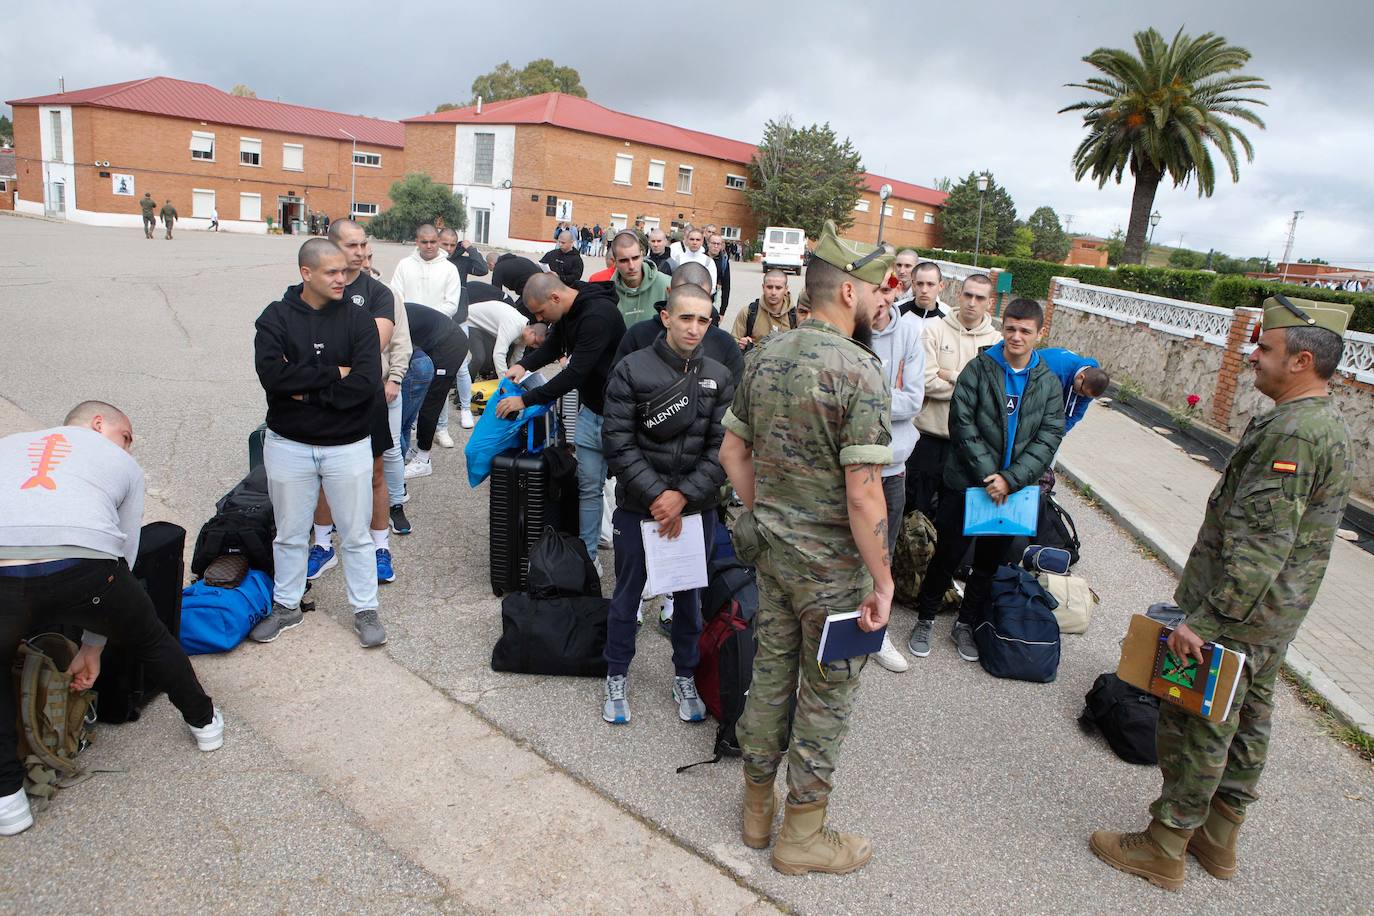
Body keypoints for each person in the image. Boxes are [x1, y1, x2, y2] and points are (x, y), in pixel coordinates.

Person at [1091, 296, 1355, 891]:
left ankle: (1164, 846)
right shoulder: (1324, 422)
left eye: (1265, 350)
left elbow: (1262, 544)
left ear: (1302, 361)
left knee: (1199, 720)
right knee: (1251, 714)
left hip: (1238, 613)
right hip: (1271, 617)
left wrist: (1205, 622)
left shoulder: (1294, 432)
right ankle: (1218, 839)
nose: (1252, 356)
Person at [718, 220, 895, 877]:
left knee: (770, 676)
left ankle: (756, 811)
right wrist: (884, 581)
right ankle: (803, 836)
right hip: (834, 575)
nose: (885, 299)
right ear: (847, 291)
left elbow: (732, 451)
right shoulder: (860, 369)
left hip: (775, 557)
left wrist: (765, 512)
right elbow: (864, 495)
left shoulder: (766, 352)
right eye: (879, 287)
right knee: (827, 696)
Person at [0, 401, 224, 837]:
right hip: (84, 565)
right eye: (127, 438)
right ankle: (205, 724)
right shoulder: (121, 463)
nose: (129, 448)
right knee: (150, 637)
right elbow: (125, 553)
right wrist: (93, 643)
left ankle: (7, 800)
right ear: (98, 423)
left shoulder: (8, 446)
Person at [599, 284, 736, 724]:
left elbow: (724, 449)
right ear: (666, 317)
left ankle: (685, 675)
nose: (694, 327)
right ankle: (616, 673)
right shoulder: (630, 369)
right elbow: (617, 443)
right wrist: (658, 496)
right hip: (640, 509)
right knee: (626, 598)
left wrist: (684, 497)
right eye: (685, 318)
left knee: (691, 602)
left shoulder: (720, 375)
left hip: (695, 510)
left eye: (703, 320)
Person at [906, 298, 1064, 662]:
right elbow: (962, 424)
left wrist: (1011, 479)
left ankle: (967, 622)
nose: (1016, 336)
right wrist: (987, 476)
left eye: (1025, 330)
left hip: (1014, 493)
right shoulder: (979, 368)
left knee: (989, 564)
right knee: (947, 556)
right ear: (1002, 327)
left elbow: (1050, 435)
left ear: (1039, 334)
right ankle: (926, 618)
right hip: (968, 484)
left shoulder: (1048, 383)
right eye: (1010, 328)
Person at [250, 238, 388, 649]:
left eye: (345, 271)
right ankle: (286, 605)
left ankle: (365, 609)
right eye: (332, 272)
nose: (343, 279)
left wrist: (305, 388)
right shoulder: (274, 318)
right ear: (306, 273)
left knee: (356, 533)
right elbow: (274, 379)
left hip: (347, 445)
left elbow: (364, 384)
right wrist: (333, 374)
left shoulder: (359, 320)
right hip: (288, 444)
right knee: (291, 532)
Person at [497, 273, 626, 566]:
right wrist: (523, 364)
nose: (540, 319)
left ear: (555, 297)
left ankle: (635, 564)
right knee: (589, 488)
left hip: (620, 418)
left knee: (629, 493)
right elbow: (554, 347)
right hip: (592, 412)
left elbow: (574, 374)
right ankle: (588, 558)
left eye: (541, 312)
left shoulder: (598, 316)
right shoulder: (568, 309)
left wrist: (525, 399)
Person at [308, 222, 410, 569]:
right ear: (332, 247)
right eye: (352, 245)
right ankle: (322, 546)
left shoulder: (380, 294)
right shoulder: (313, 290)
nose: (361, 251)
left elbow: (369, 348)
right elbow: (295, 346)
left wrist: (320, 356)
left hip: (366, 396)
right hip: (323, 398)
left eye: (364, 244)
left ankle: (380, 549)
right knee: (322, 471)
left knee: (375, 474)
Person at [904, 273, 1000, 517]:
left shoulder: (997, 343)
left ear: (989, 303)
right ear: (959, 295)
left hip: (968, 444)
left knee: (952, 518)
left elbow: (991, 394)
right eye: (967, 295)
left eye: (979, 297)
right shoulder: (934, 331)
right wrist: (970, 385)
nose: (971, 302)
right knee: (915, 512)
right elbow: (925, 381)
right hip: (928, 437)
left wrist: (951, 375)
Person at [866, 283, 925, 673]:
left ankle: (876, 635)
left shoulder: (910, 334)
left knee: (882, 555)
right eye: (875, 290)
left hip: (891, 468)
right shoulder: (848, 330)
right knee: (843, 550)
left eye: (888, 291)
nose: (882, 300)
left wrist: (865, 396)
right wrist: (890, 391)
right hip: (850, 464)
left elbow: (914, 400)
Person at [391, 225, 467, 439]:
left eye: (433, 241)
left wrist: (428, 321)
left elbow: (451, 304)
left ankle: (440, 428)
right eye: (424, 242)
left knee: (437, 386)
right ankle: (411, 423)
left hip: (438, 335)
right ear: (417, 241)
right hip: (408, 332)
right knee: (410, 378)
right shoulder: (405, 265)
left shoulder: (449, 269)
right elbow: (396, 296)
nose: (429, 246)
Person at [612, 262, 744, 381]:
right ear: (669, 292)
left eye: (701, 295)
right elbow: (616, 390)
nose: (692, 302)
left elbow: (734, 400)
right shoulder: (638, 335)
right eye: (684, 294)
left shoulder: (725, 345)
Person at [399, 302, 470, 480]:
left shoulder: (390, 315)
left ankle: (423, 459)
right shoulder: (390, 310)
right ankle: (417, 449)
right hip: (436, 343)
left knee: (431, 402)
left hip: (450, 345)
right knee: (423, 399)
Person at [467, 296, 544, 380]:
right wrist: (505, 381)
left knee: (489, 362)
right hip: (470, 320)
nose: (533, 346)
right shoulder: (513, 326)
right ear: (531, 332)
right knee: (479, 358)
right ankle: (462, 384)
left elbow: (516, 358)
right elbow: (498, 354)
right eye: (535, 342)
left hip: (485, 327)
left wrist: (514, 377)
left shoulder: (525, 332)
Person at [1039, 348, 1110, 436]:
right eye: (1082, 392)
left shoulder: (1089, 386)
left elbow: (1076, 414)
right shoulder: (1054, 373)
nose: (1081, 395)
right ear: (1081, 377)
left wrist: (1057, 434)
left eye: (1086, 396)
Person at [609, 231, 671, 328]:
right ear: (614, 262)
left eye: (635, 258)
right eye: (624, 260)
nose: (631, 266)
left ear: (642, 256)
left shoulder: (667, 285)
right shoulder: (608, 292)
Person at [731, 269, 797, 351]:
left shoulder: (796, 316)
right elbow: (732, 343)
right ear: (763, 287)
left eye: (778, 288)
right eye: (769, 287)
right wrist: (741, 344)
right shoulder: (748, 312)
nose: (773, 292)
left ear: (786, 289)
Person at [676, 228, 718, 292]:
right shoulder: (678, 259)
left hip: (702, 298)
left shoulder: (709, 262)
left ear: (702, 241)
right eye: (692, 239)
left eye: (698, 240)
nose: (694, 242)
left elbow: (712, 286)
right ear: (687, 240)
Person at [708, 233, 732, 313]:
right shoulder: (700, 257)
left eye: (718, 244)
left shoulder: (723, 263)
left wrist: (722, 312)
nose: (716, 246)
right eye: (713, 243)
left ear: (721, 246)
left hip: (709, 302)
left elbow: (726, 288)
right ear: (708, 244)